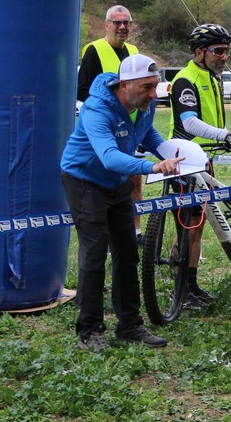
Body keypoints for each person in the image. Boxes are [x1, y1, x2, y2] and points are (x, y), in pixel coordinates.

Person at [61, 54, 184, 352]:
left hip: (116, 182)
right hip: (85, 180)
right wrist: (153, 167)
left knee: (128, 253)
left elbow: (147, 133)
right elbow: (108, 156)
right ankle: (89, 331)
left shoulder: (143, 104)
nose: (153, 94)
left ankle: (129, 325)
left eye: (155, 86)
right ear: (125, 84)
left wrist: (176, 155)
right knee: (95, 253)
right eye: (146, 87)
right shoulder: (97, 109)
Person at [169, 23, 231, 309]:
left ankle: (191, 285)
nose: (224, 57)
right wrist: (225, 135)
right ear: (199, 52)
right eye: (218, 51)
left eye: (227, 51)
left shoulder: (213, 78)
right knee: (186, 227)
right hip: (183, 162)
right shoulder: (185, 79)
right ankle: (179, 290)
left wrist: (223, 138)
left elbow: (211, 120)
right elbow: (190, 122)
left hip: (204, 161)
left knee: (198, 226)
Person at [77, 5, 147, 242]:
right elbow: (82, 90)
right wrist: (111, 107)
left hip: (132, 127)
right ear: (107, 25)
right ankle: (107, 233)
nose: (122, 27)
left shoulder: (133, 51)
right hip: (106, 128)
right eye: (117, 22)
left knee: (134, 179)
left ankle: (135, 231)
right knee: (107, 182)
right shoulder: (94, 50)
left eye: (126, 22)